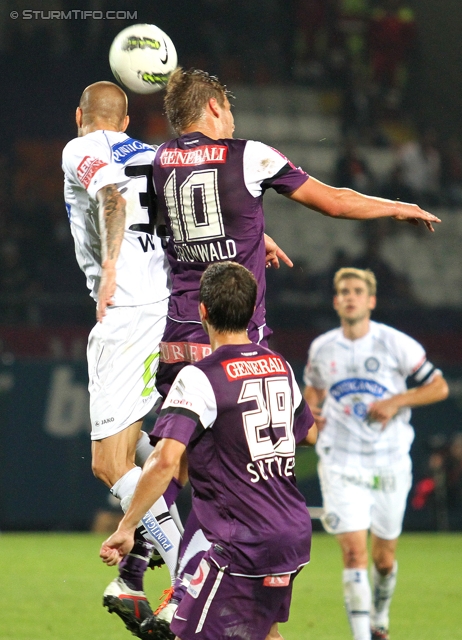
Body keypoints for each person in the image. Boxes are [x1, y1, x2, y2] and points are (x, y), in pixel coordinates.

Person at [141, 66, 441, 634]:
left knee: (185, 466)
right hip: (235, 347)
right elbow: (332, 201)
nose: (233, 117)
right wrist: (396, 207)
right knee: (253, 485)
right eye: (227, 108)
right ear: (210, 109)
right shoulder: (246, 154)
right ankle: (189, 595)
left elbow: (185, 230)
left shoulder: (158, 164)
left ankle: (159, 574)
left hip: (178, 337)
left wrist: (256, 235)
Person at [100, 261, 317, 640]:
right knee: (264, 633)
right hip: (293, 533)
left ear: (202, 311)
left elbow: (165, 460)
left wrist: (128, 525)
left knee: (182, 634)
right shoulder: (279, 365)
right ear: (252, 311)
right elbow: (308, 434)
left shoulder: (200, 376)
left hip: (242, 540)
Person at [62, 81, 184, 636]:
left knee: (109, 464)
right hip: (170, 311)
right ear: (129, 118)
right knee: (155, 450)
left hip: (127, 312)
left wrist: (110, 265)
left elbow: (111, 196)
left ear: (80, 117)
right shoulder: (156, 155)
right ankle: (144, 570)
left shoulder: (82, 147)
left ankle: (193, 570)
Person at [303, 267, 449, 640]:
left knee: (384, 561)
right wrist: (311, 412)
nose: (350, 296)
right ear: (337, 301)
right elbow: (313, 393)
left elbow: (439, 387)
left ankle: (379, 615)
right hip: (340, 462)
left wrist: (396, 401)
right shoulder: (322, 348)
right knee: (354, 555)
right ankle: (361, 636)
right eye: (344, 291)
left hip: (389, 462)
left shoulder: (395, 343)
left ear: (370, 301)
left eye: (357, 291)